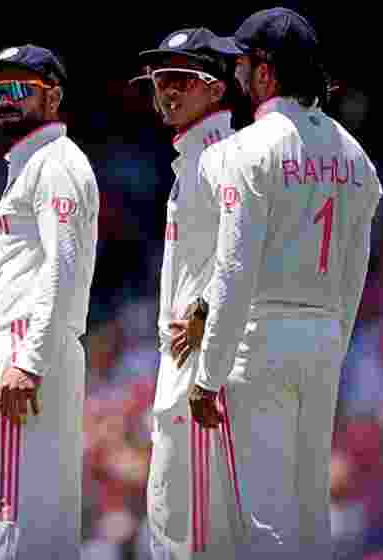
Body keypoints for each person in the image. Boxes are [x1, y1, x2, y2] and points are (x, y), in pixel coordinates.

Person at [174, 8, 383, 558]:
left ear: (265, 71)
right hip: (324, 338)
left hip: (260, 338)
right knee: (310, 510)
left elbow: (234, 267)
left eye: (242, 63)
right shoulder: (356, 156)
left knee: (261, 518)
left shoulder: (247, 150)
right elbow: (355, 272)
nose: (236, 74)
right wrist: (335, 346)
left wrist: (208, 375)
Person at [0, 44, 99, 558]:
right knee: (39, 524)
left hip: (25, 347)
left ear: (53, 96)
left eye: (19, 88)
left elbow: (61, 266)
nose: (4, 100)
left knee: (7, 518)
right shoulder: (33, 164)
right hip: (22, 347)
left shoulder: (54, 163)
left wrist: (26, 362)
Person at [131, 27, 249, 559]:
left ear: (217, 88)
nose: (168, 91)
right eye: (160, 80)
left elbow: (244, 251)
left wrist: (206, 312)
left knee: (197, 525)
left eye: (182, 78)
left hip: (202, 355)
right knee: (173, 512)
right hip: (183, 353)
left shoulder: (223, 155)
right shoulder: (196, 157)